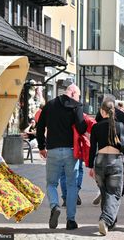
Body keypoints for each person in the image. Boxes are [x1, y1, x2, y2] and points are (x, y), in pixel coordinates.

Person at [36, 84, 87, 230]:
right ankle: (71, 221)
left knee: (51, 183)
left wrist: (41, 147)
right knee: (72, 185)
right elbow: (82, 128)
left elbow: (40, 127)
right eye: (78, 95)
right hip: (71, 151)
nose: (79, 98)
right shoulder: (76, 107)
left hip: (52, 150)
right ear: (72, 93)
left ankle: (54, 206)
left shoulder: (49, 105)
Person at [89, 100, 124, 236]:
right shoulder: (119, 126)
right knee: (114, 193)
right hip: (115, 160)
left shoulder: (96, 127)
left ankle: (109, 223)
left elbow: (92, 148)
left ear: (102, 111)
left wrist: (90, 166)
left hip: (100, 160)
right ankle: (105, 220)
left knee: (105, 192)